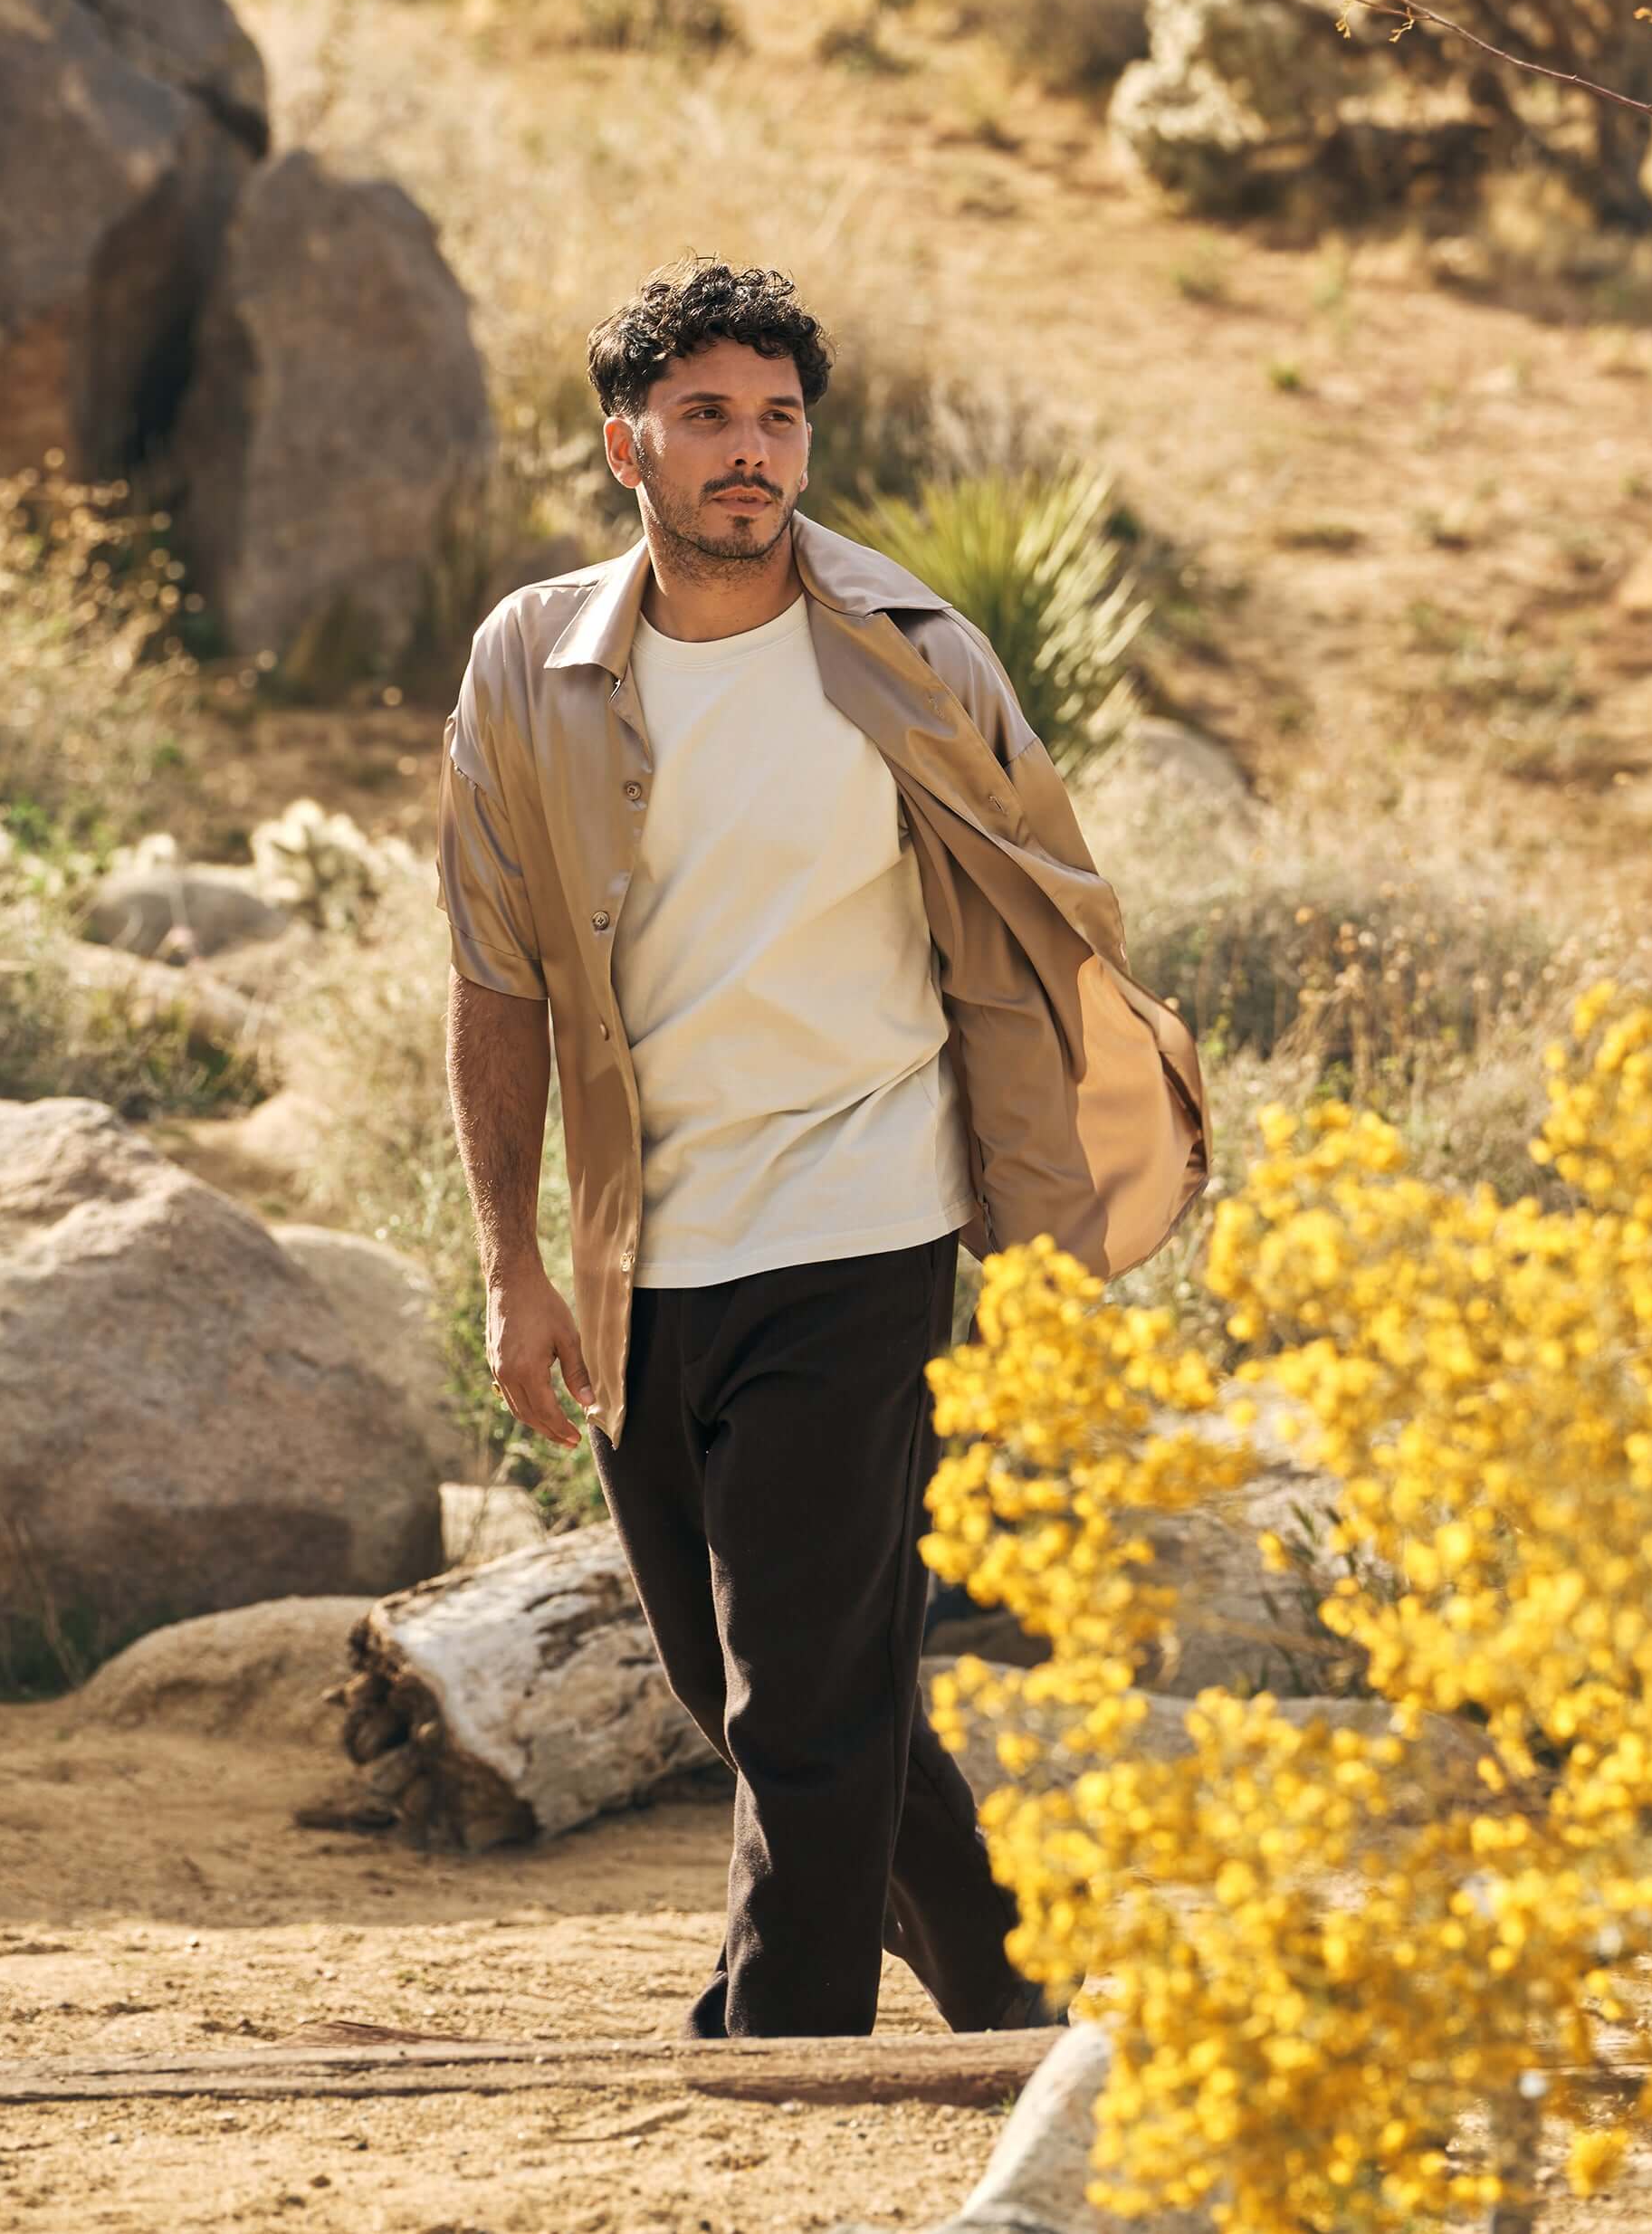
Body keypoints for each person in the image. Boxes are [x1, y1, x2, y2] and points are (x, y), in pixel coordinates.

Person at [436, 256, 1208, 2042]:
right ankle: (1019, 1990)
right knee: (755, 1694)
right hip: (647, 1252)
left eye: (778, 417)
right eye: (706, 415)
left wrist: (1064, 1201)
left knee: (800, 1694)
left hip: (865, 1222)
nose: (749, 452)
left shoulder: (914, 655)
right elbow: (494, 981)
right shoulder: (527, 667)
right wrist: (512, 1266)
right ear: (623, 442)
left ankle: (775, 2060)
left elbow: (1047, 917)